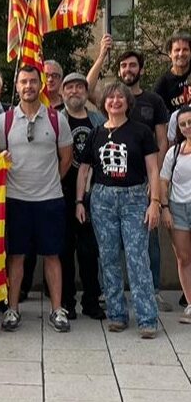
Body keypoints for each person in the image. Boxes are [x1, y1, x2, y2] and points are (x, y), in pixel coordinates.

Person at [88, 42, 171, 312]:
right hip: (108, 191)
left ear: (141, 70)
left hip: (142, 185)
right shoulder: (106, 110)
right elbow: (88, 88)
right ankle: (114, 303)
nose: (128, 69)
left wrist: (155, 190)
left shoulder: (153, 101)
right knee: (109, 253)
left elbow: (161, 142)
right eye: (123, 65)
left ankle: (150, 297)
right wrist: (102, 54)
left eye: (133, 65)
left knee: (144, 248)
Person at [76, 82, 160, 339]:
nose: (115, 101)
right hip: (102, 200)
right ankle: (116, 314)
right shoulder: (96, 133)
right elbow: (84, 169)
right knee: (109, 258)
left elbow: (153, 169)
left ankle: (147, 317)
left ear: (127, 102)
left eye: (120, 97)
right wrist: (79, 201)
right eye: (110, 98)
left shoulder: (141, 131)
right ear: (103, 103)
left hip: (134, 198)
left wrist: (155, 202)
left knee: (137, 259)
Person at [0, 65, 73, 333]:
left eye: (32, 81)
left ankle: (57, 309)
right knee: (16, 256)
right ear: (16, 86)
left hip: (50, 200)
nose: (28, 86)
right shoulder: (4, 121)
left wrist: (49, 182)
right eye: (23, 82)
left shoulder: (57, 119)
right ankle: (13, 308)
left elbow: (66, 158)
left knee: (52, 255)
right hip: (15, 200)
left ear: (41, 85)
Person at [59, 73, 105, 320]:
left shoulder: (98, 120)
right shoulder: (55, 119)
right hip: (62, 192)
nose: (74, 91)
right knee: (64, 249)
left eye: (79, 87)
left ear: (86, 93)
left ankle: (91, 300)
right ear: (62, 93)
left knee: (89, 251)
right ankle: (66, 300)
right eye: (70, 87)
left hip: (92, 193)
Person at [160, 105, 191, 323]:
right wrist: (164, 208)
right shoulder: (175, 152)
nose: (187, 127)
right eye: (183, 124)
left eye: (190, 122)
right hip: (178, 208)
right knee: (183, 258)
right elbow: (163, 181)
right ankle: (190, 303)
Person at [154, 30, 191, 114]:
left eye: (185, 49)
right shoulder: (162, 85)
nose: (181, 54)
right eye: (177, 50)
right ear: (170, 53)